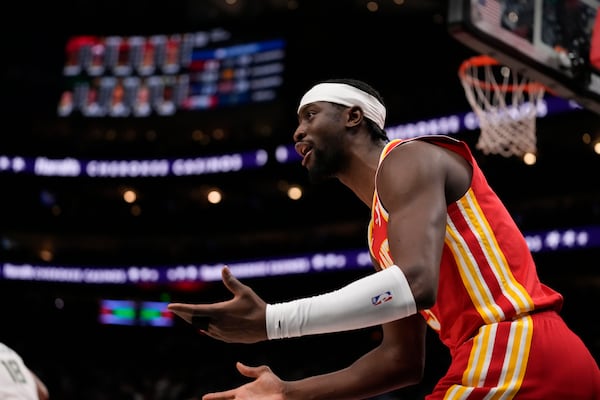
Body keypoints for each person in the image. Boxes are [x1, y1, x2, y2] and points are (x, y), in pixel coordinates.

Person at [168, 78, 600, 399]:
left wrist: (272, 321)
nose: (297, 132)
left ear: (353, 117)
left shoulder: (407, 159)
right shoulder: (381, 234)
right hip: (530, 357)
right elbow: (400, 362)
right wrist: (286, 392)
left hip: (515, 350)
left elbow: (415, 283)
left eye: (310, 115)